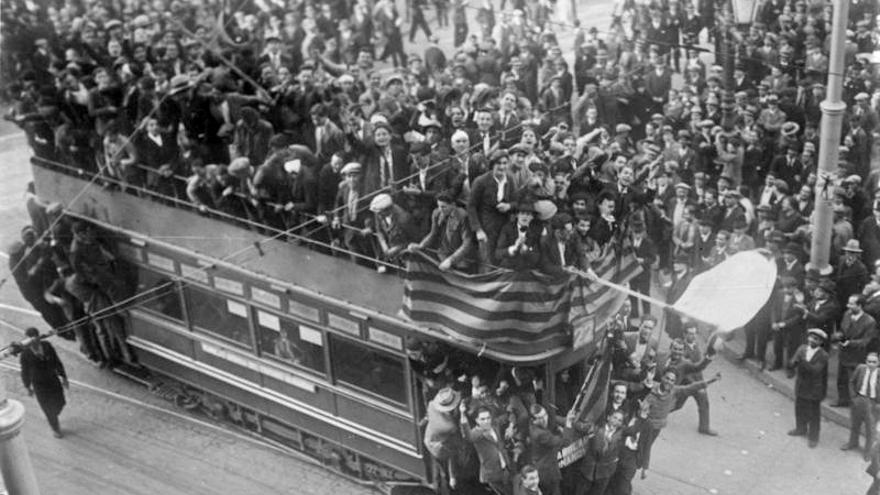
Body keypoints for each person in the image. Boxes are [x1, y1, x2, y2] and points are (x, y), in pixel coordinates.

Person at [20, 327, 69, 438]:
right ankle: (55, 427)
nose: (33, 342)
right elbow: (24, 371)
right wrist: (27, 386)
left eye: (35, 338)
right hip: (39, 384)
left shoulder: (47, 346)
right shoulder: (25, 354)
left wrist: (64, 377)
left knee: (60, 402)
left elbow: (57, 361)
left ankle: (53, 416)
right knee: (47, 407)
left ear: (38, 337)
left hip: (52, 379)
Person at [833, 294, 878, 407]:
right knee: (841, 379)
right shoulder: (847, 315)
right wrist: (838, 336)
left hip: (856, 356)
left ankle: (857, 405)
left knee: (855, 381)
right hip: (844, 353)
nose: (848, 306)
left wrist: (850, 343)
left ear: (860, 306)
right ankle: (842, 400)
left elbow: (865, 341)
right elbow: (843, 330)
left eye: (852, 304)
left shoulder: (869, 322)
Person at [788, 328, 830, 448]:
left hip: (814, 387)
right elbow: (793, 362)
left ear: (821, 342)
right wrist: (792, 363)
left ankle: (813, 437)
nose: (811, 340)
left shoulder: (823, 355)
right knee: (799, 408)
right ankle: (800, 428)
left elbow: (815, 370)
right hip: (801, 384)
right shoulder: (802, 349)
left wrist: (802, 361)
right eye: (811, 337)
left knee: (813, 414)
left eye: (816, 339)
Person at [459, 402, 512, 495]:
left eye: (488, 418)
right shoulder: (477, 433)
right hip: (492, 472)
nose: (486, 421)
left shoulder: (494, 425)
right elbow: (468, 436)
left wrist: (511, 426)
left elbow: (508, 415)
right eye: (482, 419)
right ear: (477, 420)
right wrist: (462, 414)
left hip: (505, 466)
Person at [843, 352, 880, 457]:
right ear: (865, 361)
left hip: (873, 402)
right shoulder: (860, 368)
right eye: (869, 361)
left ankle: (868, 451)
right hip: (859, 399)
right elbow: (851, 382)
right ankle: (853, 442)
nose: (871, 364)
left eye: (874, 362)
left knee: (870, 428)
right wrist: (853, 397)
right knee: (855, 424)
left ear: (878, 363)